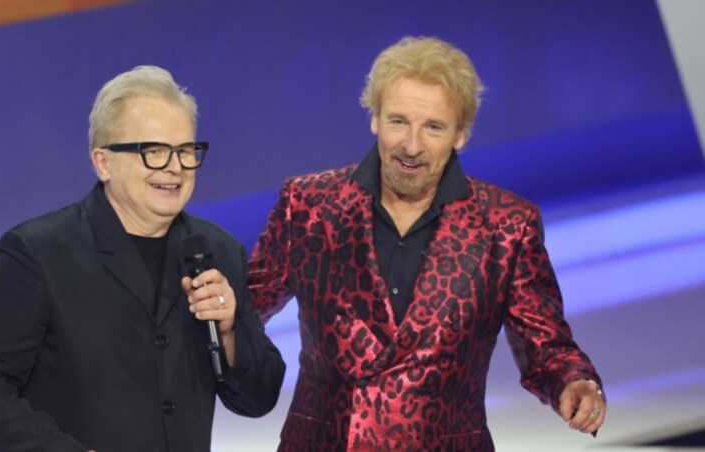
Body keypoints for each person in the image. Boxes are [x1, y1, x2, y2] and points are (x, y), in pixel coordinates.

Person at [248, 36, 606, 450]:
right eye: (398, 121)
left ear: (460, 135)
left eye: (433, 127)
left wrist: (573, 382)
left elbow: (546, 346)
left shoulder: (505, 226)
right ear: (375, 119)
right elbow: (243, 306)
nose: (412, 146)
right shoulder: (308, 207)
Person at [0, 65, 285, 451]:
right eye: (154, 151)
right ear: (103, 162)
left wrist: (228, 333)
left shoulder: (216, 250)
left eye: (186, 150)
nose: (174, 167)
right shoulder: (37, 252)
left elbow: (259, 398)